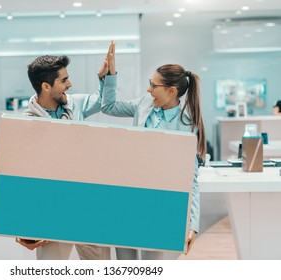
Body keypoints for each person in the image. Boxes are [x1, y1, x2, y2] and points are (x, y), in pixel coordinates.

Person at [100, 43, 205, 259]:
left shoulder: (186, 127)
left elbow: (190, 179)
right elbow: (108, 107)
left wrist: (191, 224)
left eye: (153, 85)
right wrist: (110, 76)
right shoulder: (144, 104)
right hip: (127, 198)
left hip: (159, 205)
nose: (149, 89)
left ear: (171, 91)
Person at [15, 47, 115, 260]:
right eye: (64, 80)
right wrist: (24, 224)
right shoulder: (26, 124)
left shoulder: (74, 105)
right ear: (45, 86)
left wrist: (105, 76)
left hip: (88, 203)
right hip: (52, 207)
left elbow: (101, 101)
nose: (69, 85)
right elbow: (23, 176)